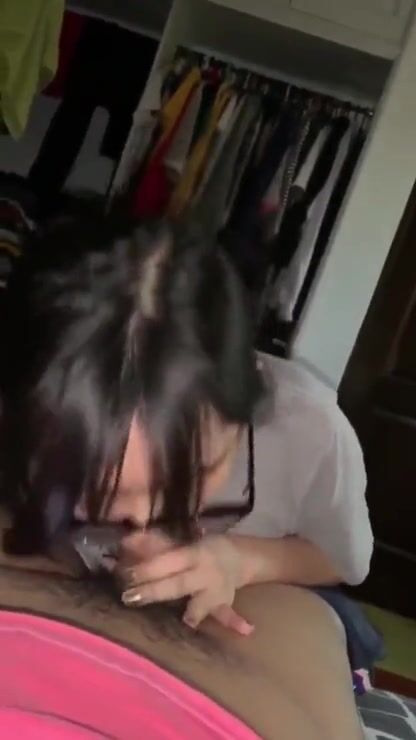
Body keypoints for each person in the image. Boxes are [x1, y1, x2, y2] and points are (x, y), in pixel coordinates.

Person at [0, 199, 377, 658]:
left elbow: (344, 560)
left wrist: (242, 560)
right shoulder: (24, 422)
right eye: (96, 485)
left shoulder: (310, 432)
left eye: (195, 472)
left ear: (246, 404)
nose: (143, 519)